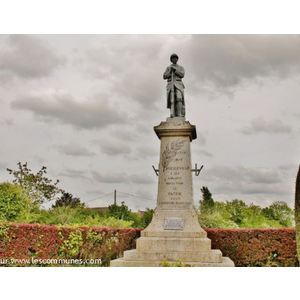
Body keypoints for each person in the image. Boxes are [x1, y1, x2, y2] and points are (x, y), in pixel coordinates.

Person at [163, 53, 185, 118]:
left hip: (178, 84)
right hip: (171, 84)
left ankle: (179, 114)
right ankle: (172, 113)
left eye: (175, 58)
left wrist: (175, 70)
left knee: (179, 98)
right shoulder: (168, 68)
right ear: (171, 60)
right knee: (172, 99)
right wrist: (170, 72)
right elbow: (164, 76)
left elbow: (182, 74)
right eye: (173, 58)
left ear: (177, 59)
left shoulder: (181, 67)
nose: (174, 59)